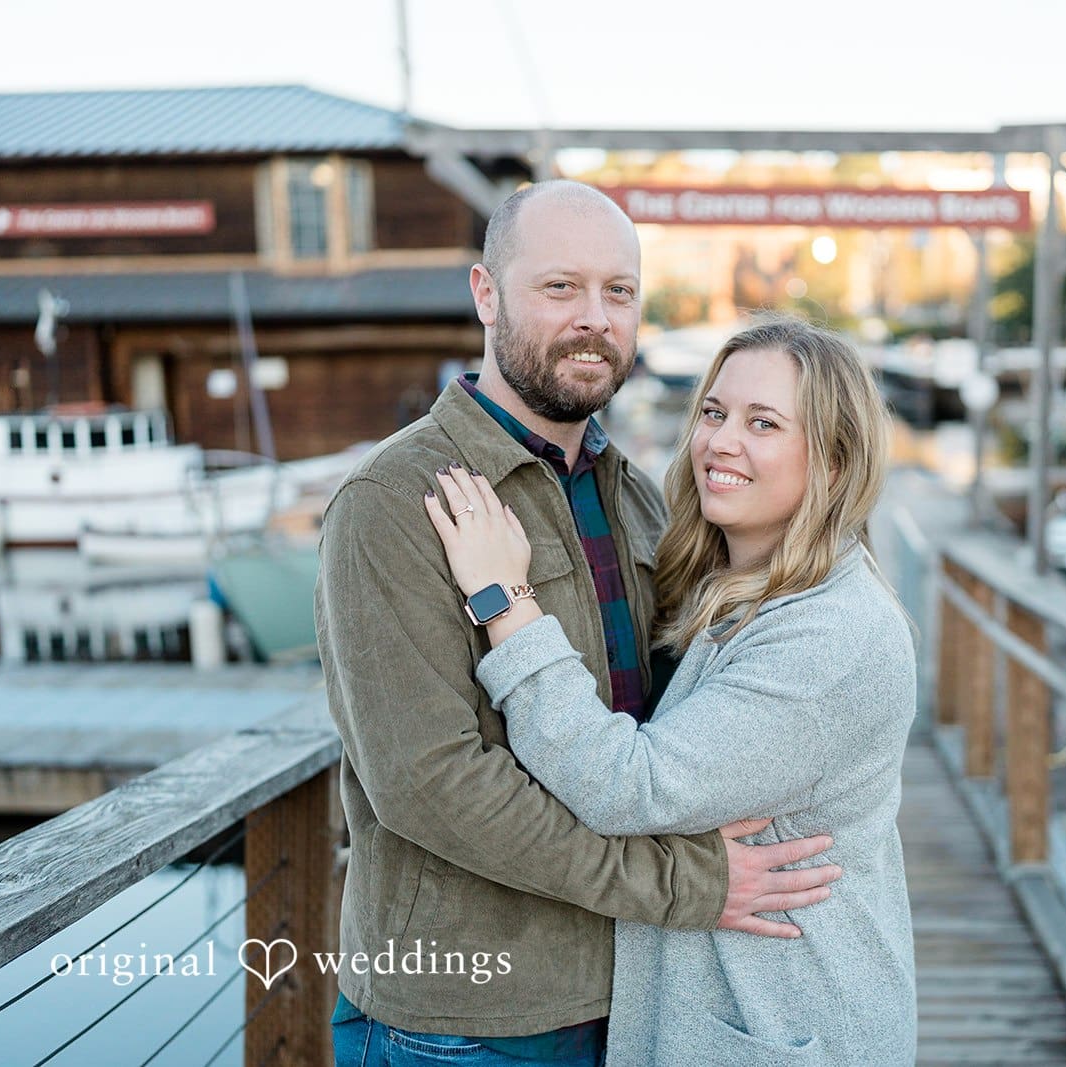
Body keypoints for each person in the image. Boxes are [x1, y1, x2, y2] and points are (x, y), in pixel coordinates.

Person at [316, 181, 843, 1067]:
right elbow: (428, 782)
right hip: (464, 1022)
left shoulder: (635, 495)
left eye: (618, 291)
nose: (595, 317)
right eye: (560, 286)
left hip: (634, 997)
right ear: (487, 295)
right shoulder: (394, 501)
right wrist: (676, 883)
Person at [424, 316, 919, 1065]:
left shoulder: (832, 635)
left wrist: (507, 600)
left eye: (764, 423)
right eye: (715, 412)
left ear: (836, 459)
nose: (722, 442)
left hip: (785, 1025)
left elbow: (630, 786)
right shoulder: (741, 588)